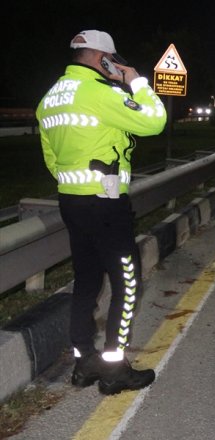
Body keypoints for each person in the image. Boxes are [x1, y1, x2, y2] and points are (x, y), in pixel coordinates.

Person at [35, 30, 167, 395]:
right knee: (127, 282)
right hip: (106, 204)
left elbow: (51, 159)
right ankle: (115, 369)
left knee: (86, 282)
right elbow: (155, 121)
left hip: (71, 201)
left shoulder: (49, 100)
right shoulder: (101, 93)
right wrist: (136, 80)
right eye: (114, 60)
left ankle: (84, 363)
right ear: (103, 59)